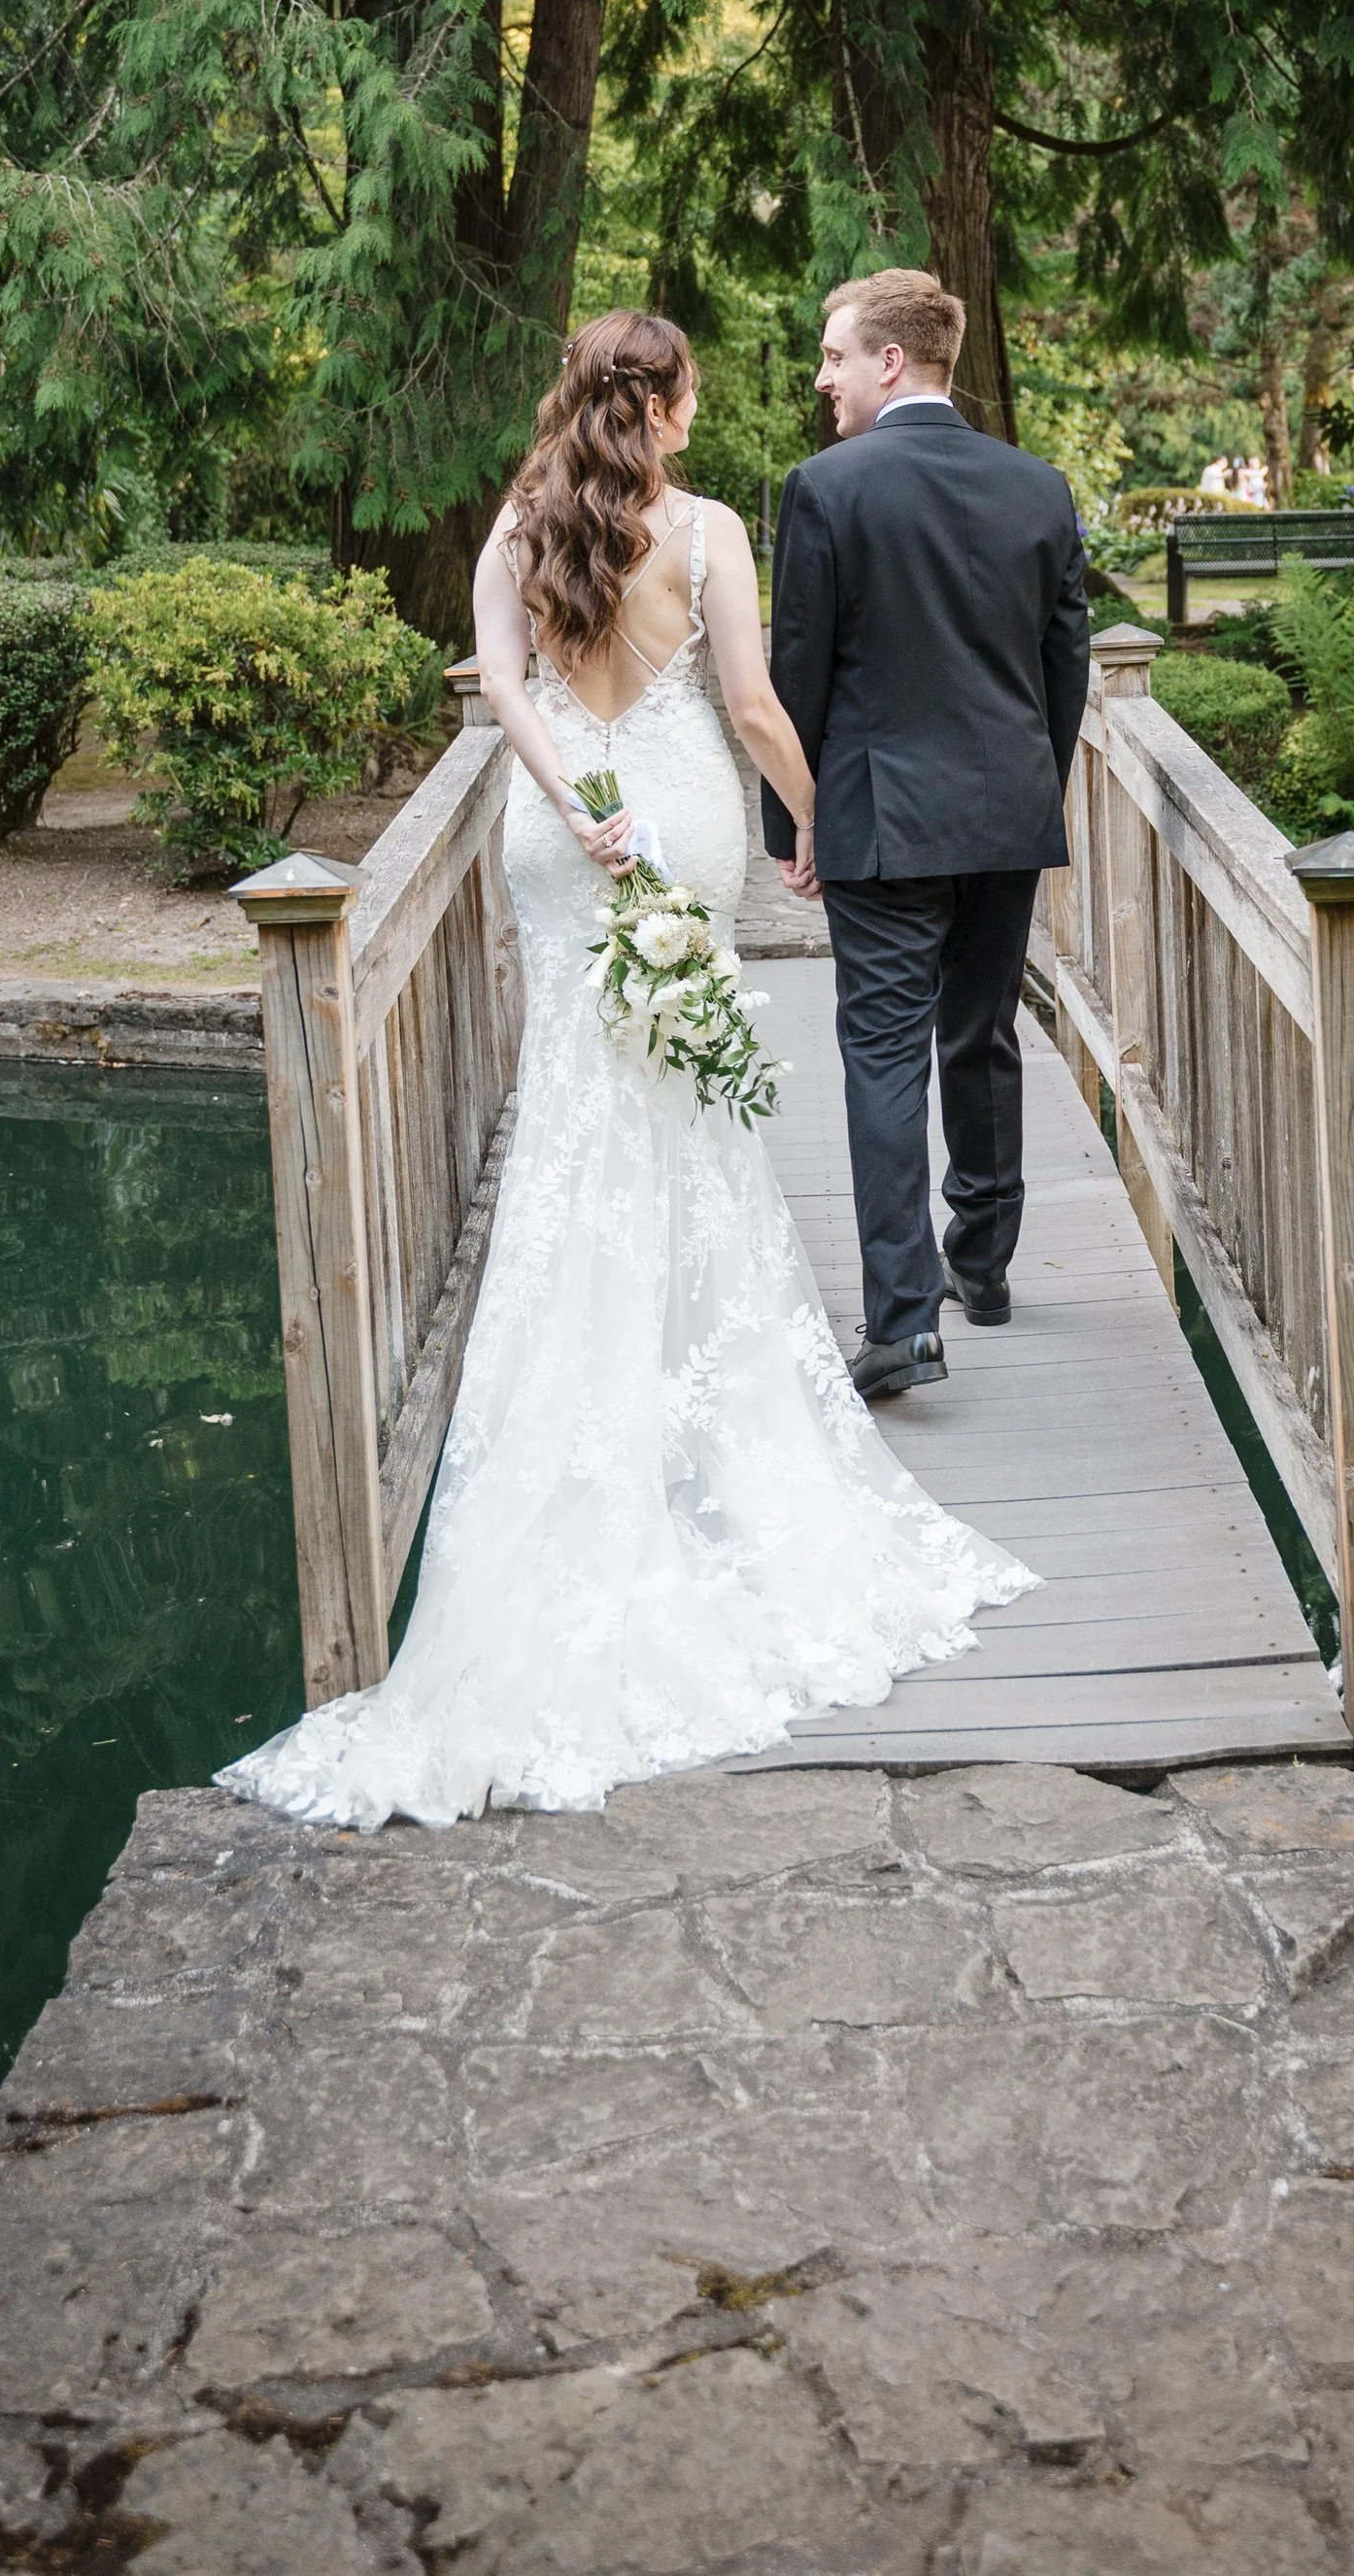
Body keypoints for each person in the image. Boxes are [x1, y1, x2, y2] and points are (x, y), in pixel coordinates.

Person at [216, 309, 1032, 1830]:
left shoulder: (518, 524)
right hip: (686, 819)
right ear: (655, 404)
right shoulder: (713, 530)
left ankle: (585, 1421)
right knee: (686, 1107)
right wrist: (818, 824)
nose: (701, 415)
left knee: (576, 1105)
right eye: (691, 395)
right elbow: (751, 708)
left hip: (561, 834)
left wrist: (579, 804)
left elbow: (505, 691)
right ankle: (699, 1415)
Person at [761, 271, 1091, 1399]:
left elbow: (795, 669)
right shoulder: (1038, 487)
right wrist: (1025, 789)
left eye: (834, 356)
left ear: (889, 360)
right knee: (984, 1032)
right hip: (1006, 811)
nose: (823, 378)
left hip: (880, 817)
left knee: (884, 1054)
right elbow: (1064, 670)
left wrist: (791, 818)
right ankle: (984, 1264)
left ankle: (903, 1322)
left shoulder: (825, 489)